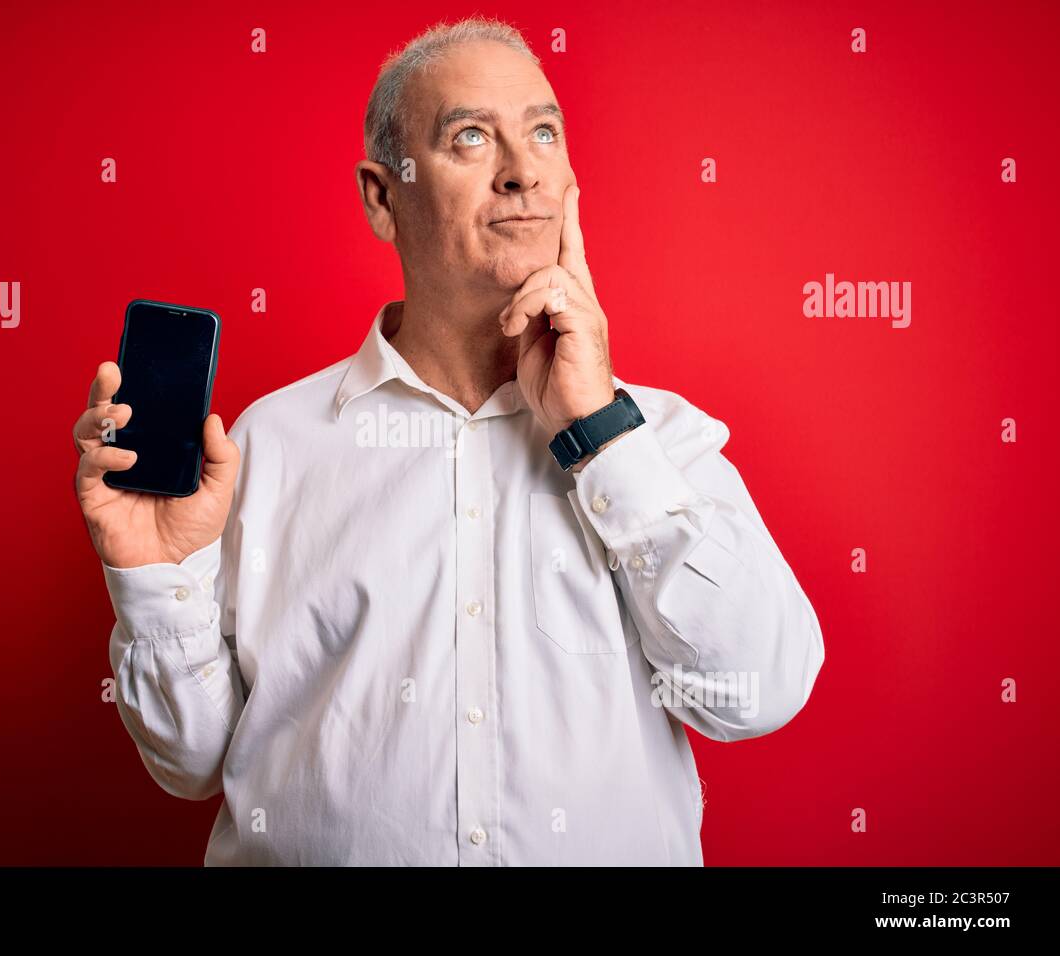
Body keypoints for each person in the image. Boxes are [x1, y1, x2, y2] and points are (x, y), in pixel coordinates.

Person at [72, 16, 824, 865]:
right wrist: (150, 577)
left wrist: (604, 435)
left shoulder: (664, 442)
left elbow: (757, 694)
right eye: (471, 137)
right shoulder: (266, 448)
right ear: (382, 197)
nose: (523, 172)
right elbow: (193, 762)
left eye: (543, 132)